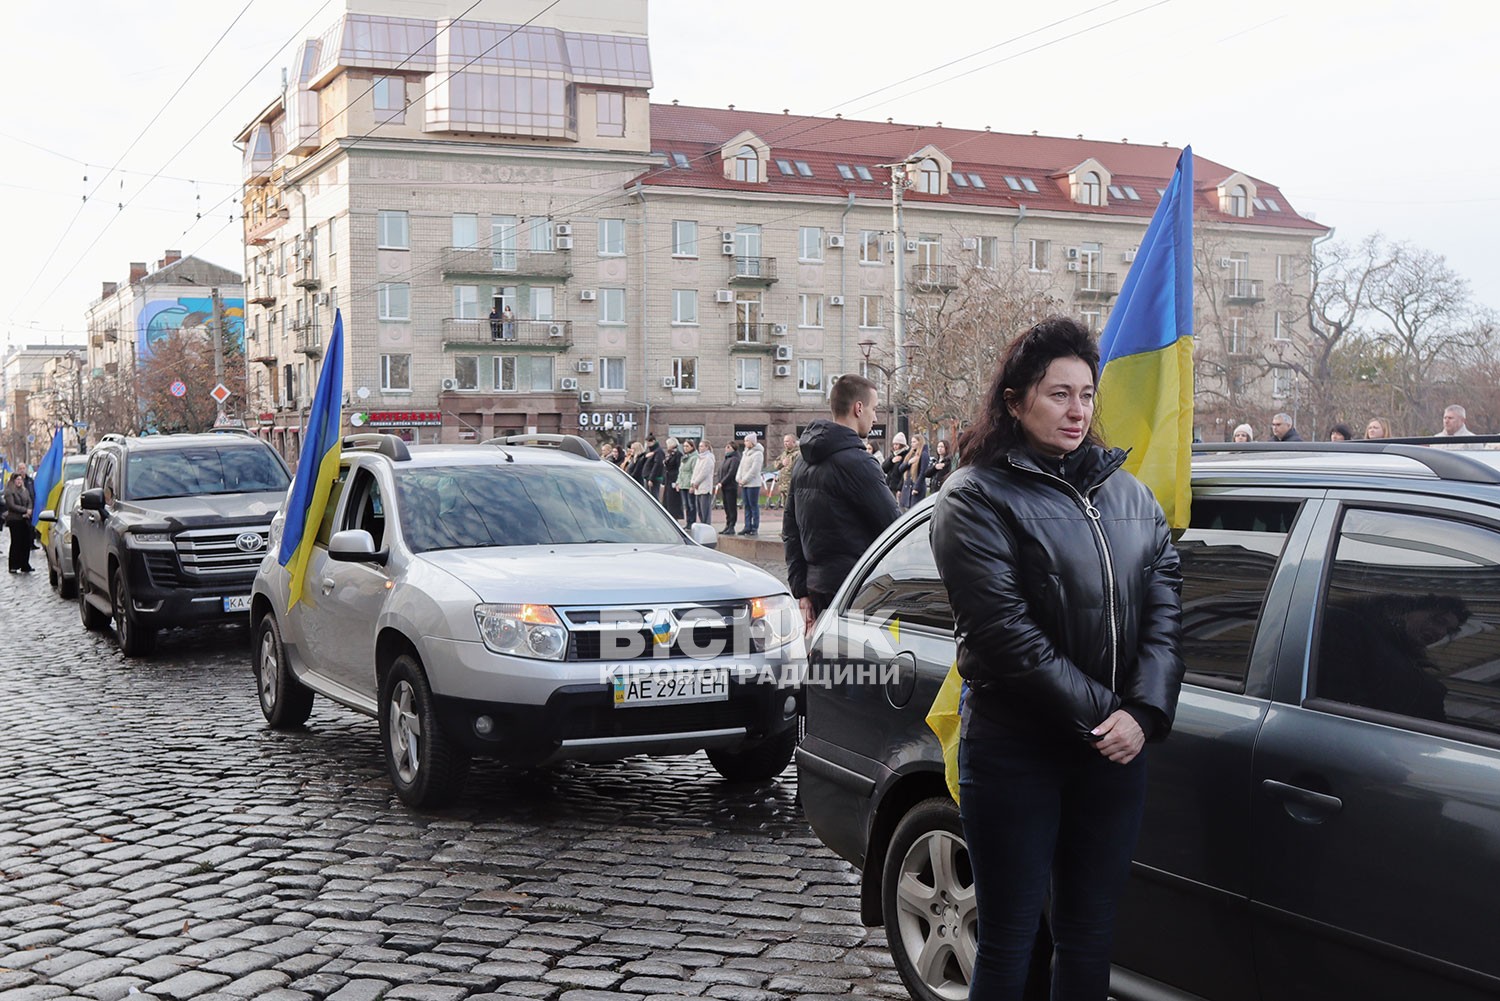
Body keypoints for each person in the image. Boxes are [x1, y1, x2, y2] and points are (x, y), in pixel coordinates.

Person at [928, 316, 1185, 1000]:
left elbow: (1165, 611)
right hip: (1018, 749)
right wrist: (1112, 715)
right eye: (1059, 394)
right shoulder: (976, 495)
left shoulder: (1129, 495)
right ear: (1014, 401)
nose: (1078, 410)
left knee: (1090, 935)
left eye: (1087, 395)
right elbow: (1005, 634)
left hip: (1112, 754)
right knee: (1011, 939)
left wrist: (1146, 710)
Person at [783, 373, 901, 629]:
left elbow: (790, 531)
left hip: (817, 589)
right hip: (857, 590)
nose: (876, 417)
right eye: (874, 408)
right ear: (858, 408)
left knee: (828, 665)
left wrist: (801, 591)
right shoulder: (859, 463)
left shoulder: (802, 461)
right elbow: (894, 529)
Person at [1318, 593, 1466, 723]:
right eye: (1438, 621)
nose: (1441, 633)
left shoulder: (1410, 657)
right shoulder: (1350, 628)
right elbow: (1343, 702)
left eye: (1449, 631)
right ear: (1408, 609)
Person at [735, 432, 765, 536]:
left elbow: (754, 470)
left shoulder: (758, 454)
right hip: (744, 484)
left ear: (752, 442)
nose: (745, 443)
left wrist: (745, 479)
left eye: (747, 441)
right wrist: (738, 478)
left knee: (753, 505)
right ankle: (747, 526)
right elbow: (741, 467)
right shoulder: (745, 453)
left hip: (753, 484)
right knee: (746, 505)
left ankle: (754, 527)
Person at [4, 471, 34, 574]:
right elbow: (12, 505)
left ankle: (25, 564)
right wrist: (25, 510)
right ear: (13, 481)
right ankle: (13, 565)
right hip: (15, 520)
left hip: (25, 520)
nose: (19, 481)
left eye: (20, 479)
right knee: (16, 543)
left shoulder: (24, 490)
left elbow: (30, 501)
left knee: (26, 543)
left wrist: (29, 510)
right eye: (17, 480)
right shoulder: (9, 491)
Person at [768, 433, 799, 509]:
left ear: (794, 442)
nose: (785, 443)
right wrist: (782, 463)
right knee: (786, 509)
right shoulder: (784, 454)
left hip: (791, 486)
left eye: (787, 441)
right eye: (784, 441)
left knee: (793, 508)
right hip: (783, 486)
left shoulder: (798, 454)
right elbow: (775, 464)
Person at [689, 438, 716, 526]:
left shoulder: (709, 458)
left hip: (704, 486)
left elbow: (704, 472)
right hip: (697, 487)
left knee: (705, 510)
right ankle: (702, 523)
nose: (700, 448)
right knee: (699, 509)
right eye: (699, 446)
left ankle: (706, 525)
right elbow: (695, 471)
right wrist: (693, 482)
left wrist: (696, 482)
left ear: (707, 447)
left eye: (702, 446)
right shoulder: (699, 458)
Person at [717, 442, 742, 535]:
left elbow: (731, 473)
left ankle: (732, 525)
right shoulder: (726, 458)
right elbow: (721, 470)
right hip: (724, 487)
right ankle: (727, 525)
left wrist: (722, 482)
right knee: (726, 506)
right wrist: (719, 480)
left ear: (733, 448)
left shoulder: (735, 459)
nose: (726, 449)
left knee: (731, 507)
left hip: (730, 486)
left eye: (728, 447)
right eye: (726, 447)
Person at [675, 439, 699, 527]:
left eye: (687, 446)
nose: (685, 448)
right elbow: (680, 471)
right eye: (684, 446)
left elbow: (694, 472)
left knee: (691, 504)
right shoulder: (685, 457)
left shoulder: (694, 457)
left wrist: (692, 485)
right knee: (686, 505)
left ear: (692, 447)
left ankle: (692, 522)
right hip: (683, 484)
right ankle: (688, 522)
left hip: (689, 484)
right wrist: (678, 483)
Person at [882, 431, 909, 501]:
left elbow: (904, 474)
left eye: (897, 444)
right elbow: (884, 468)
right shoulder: (893, 455)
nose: (895, 446)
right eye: (894, 444)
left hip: (897, 487)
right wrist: (891, 461)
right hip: (889, 485)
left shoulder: (905, 455)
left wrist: (899, 488)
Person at [660, 437, 683, 519]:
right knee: (667, 499)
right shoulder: (669, 454)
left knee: (673, 499)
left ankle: (674, 516)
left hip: (673, 478)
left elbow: (678, 467)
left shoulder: (678, 454)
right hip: (668, 478)